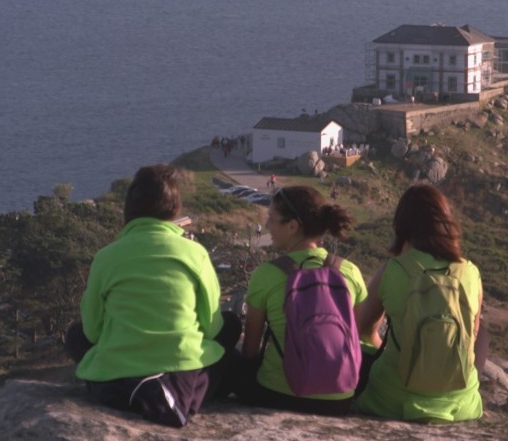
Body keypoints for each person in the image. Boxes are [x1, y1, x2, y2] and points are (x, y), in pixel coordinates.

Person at [65, 164, 240, 428]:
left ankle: (135, 384)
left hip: (116, 372)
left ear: (129, 208)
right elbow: (211, 326)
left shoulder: (106, 257)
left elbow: (92, 331)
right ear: (174, 209)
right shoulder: (195, 254)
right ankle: (165, 389)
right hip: (181, 371)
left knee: (75, 336)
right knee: (232, 325)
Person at [352, 184, 485, 422]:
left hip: (393, 401)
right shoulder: (470, 271)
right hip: (461, 406)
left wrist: (402, 350)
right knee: (481, 330)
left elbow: (361, 330)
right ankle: (457, 389)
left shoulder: (392, 271)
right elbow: (472, 335)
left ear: (401, 226)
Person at [233, 185, 367, 415]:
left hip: (278, 395)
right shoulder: (350, 272)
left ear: (293, 226)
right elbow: (359, 338)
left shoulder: (267, 274)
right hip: (339, 398)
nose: (267, 226)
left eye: (272, 219)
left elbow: (250, 351)